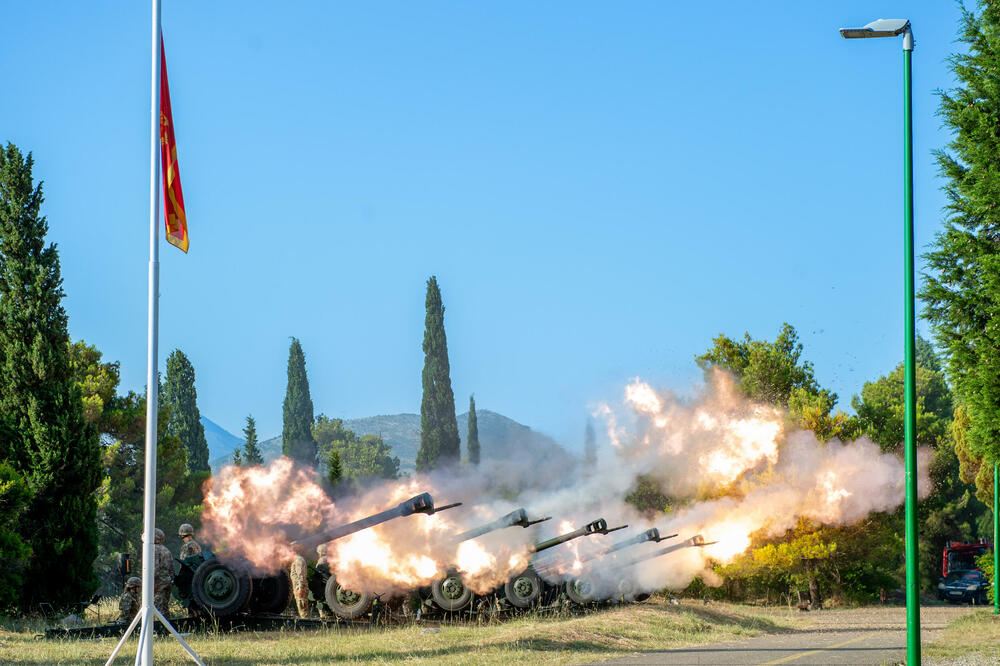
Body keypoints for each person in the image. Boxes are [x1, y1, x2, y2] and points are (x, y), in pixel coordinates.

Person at [153, 527, 174, 617]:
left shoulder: (154, 549)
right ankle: (167, 624)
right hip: (167, 583)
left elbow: (155, 569)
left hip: (159, 584)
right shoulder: (166, 550)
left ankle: (162, 625)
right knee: (164, 608)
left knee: (159, 609)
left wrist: (153, 584)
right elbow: (171, 569)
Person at [289, 553, 310, 618]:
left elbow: (301, 575)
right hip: (298, 587)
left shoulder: (298, 560)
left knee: (302, 606)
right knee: (301, 606)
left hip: (300, 587)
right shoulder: (296, 560)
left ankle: (306, 622)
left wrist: (300, 588)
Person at [315, 543, 330, 619]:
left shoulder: (321, 561)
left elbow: (317, 572)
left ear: (320, 552)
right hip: (329, 584)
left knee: (320, 600)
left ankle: (323, 615)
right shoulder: (329, 559)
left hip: (322, 584)